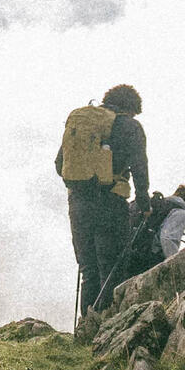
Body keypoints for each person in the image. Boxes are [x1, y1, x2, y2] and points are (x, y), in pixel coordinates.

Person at [57, 83, 148, 317]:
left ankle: (86, 328)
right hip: (111, 202)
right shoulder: (131, 126)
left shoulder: (84, 123)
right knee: (112, 267)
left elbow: (60, 165)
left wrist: (85, 182)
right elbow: (140, 168)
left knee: (88, 269)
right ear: (131, 108)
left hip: (78, 203)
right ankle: (105, 329)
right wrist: (143, 202)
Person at [107, 183, 185, 294]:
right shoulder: (180, 212)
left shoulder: (157, 205)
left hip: (129, 255)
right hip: (149, 260)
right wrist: (176, 265)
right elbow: (168, 239)